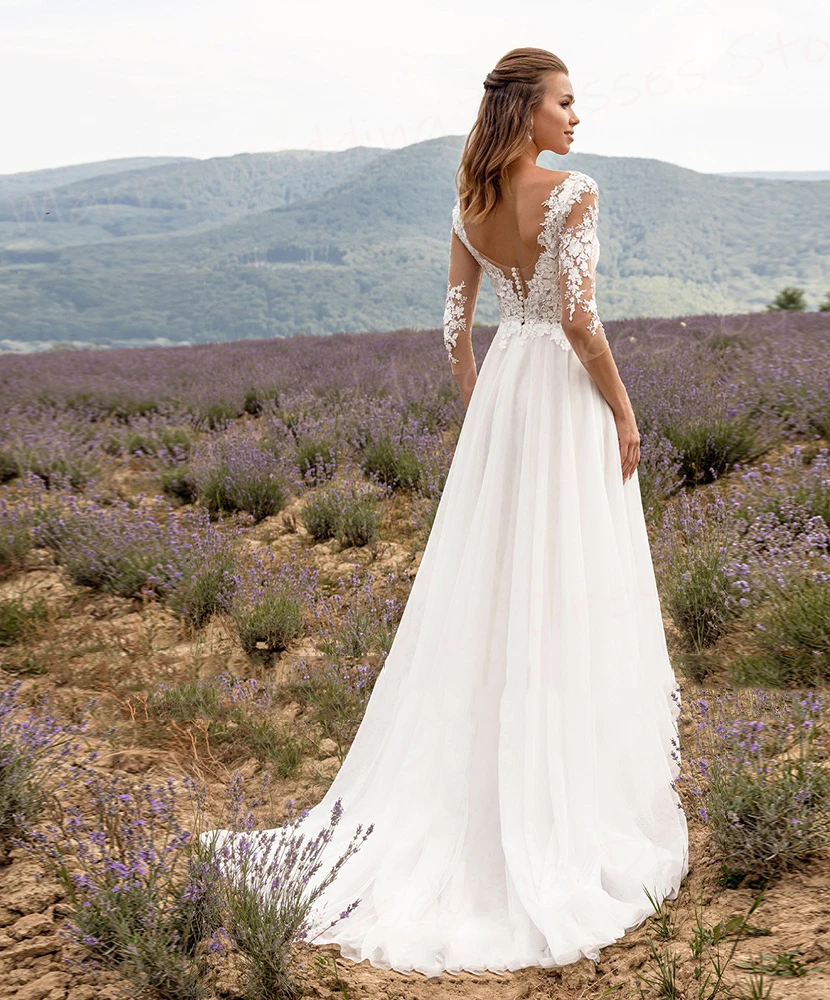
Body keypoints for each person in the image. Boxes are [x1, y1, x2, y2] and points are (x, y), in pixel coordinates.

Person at [200, 46, 688, 979]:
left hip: (509, 393)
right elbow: (582, 323)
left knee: (495, 577)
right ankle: (562, 793)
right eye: (566, 103)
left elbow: (456, 336)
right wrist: (624, 412)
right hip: (560, 392)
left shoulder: (468, 201)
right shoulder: (575, 194)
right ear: (529, 111)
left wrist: (486, 406)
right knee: (569, 576)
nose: (577, 120)